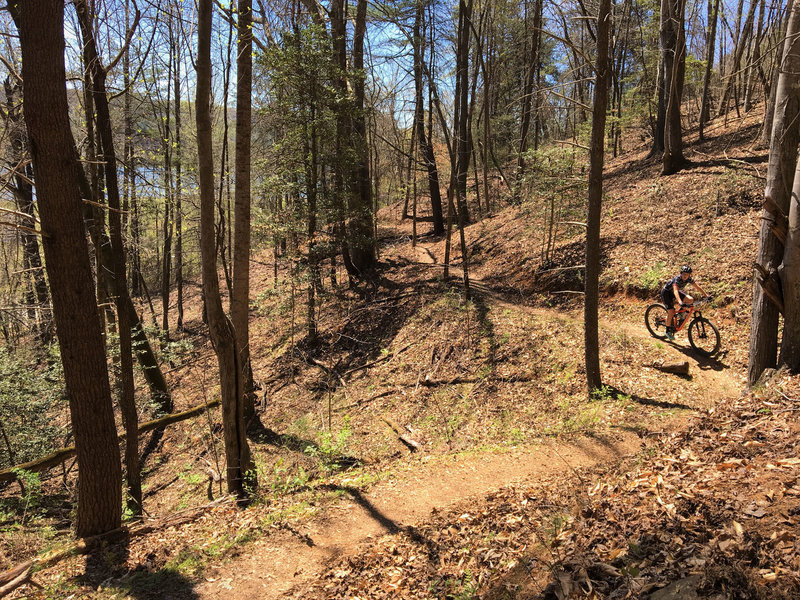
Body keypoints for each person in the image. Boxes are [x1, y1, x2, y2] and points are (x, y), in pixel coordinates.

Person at [661, 265, 709, 341]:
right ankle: (667, 331)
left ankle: (681, 313)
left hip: (674, 292)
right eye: (683, 274)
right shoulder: (677, 279)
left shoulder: (689, 279)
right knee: (671, 312)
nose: (685, 276)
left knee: (690, 299)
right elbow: (675, 291)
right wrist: (680, 302)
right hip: (667, 293)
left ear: (689, 275)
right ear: (681, 273)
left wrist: (706, 296)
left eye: (687, 274)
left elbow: (697, 287)